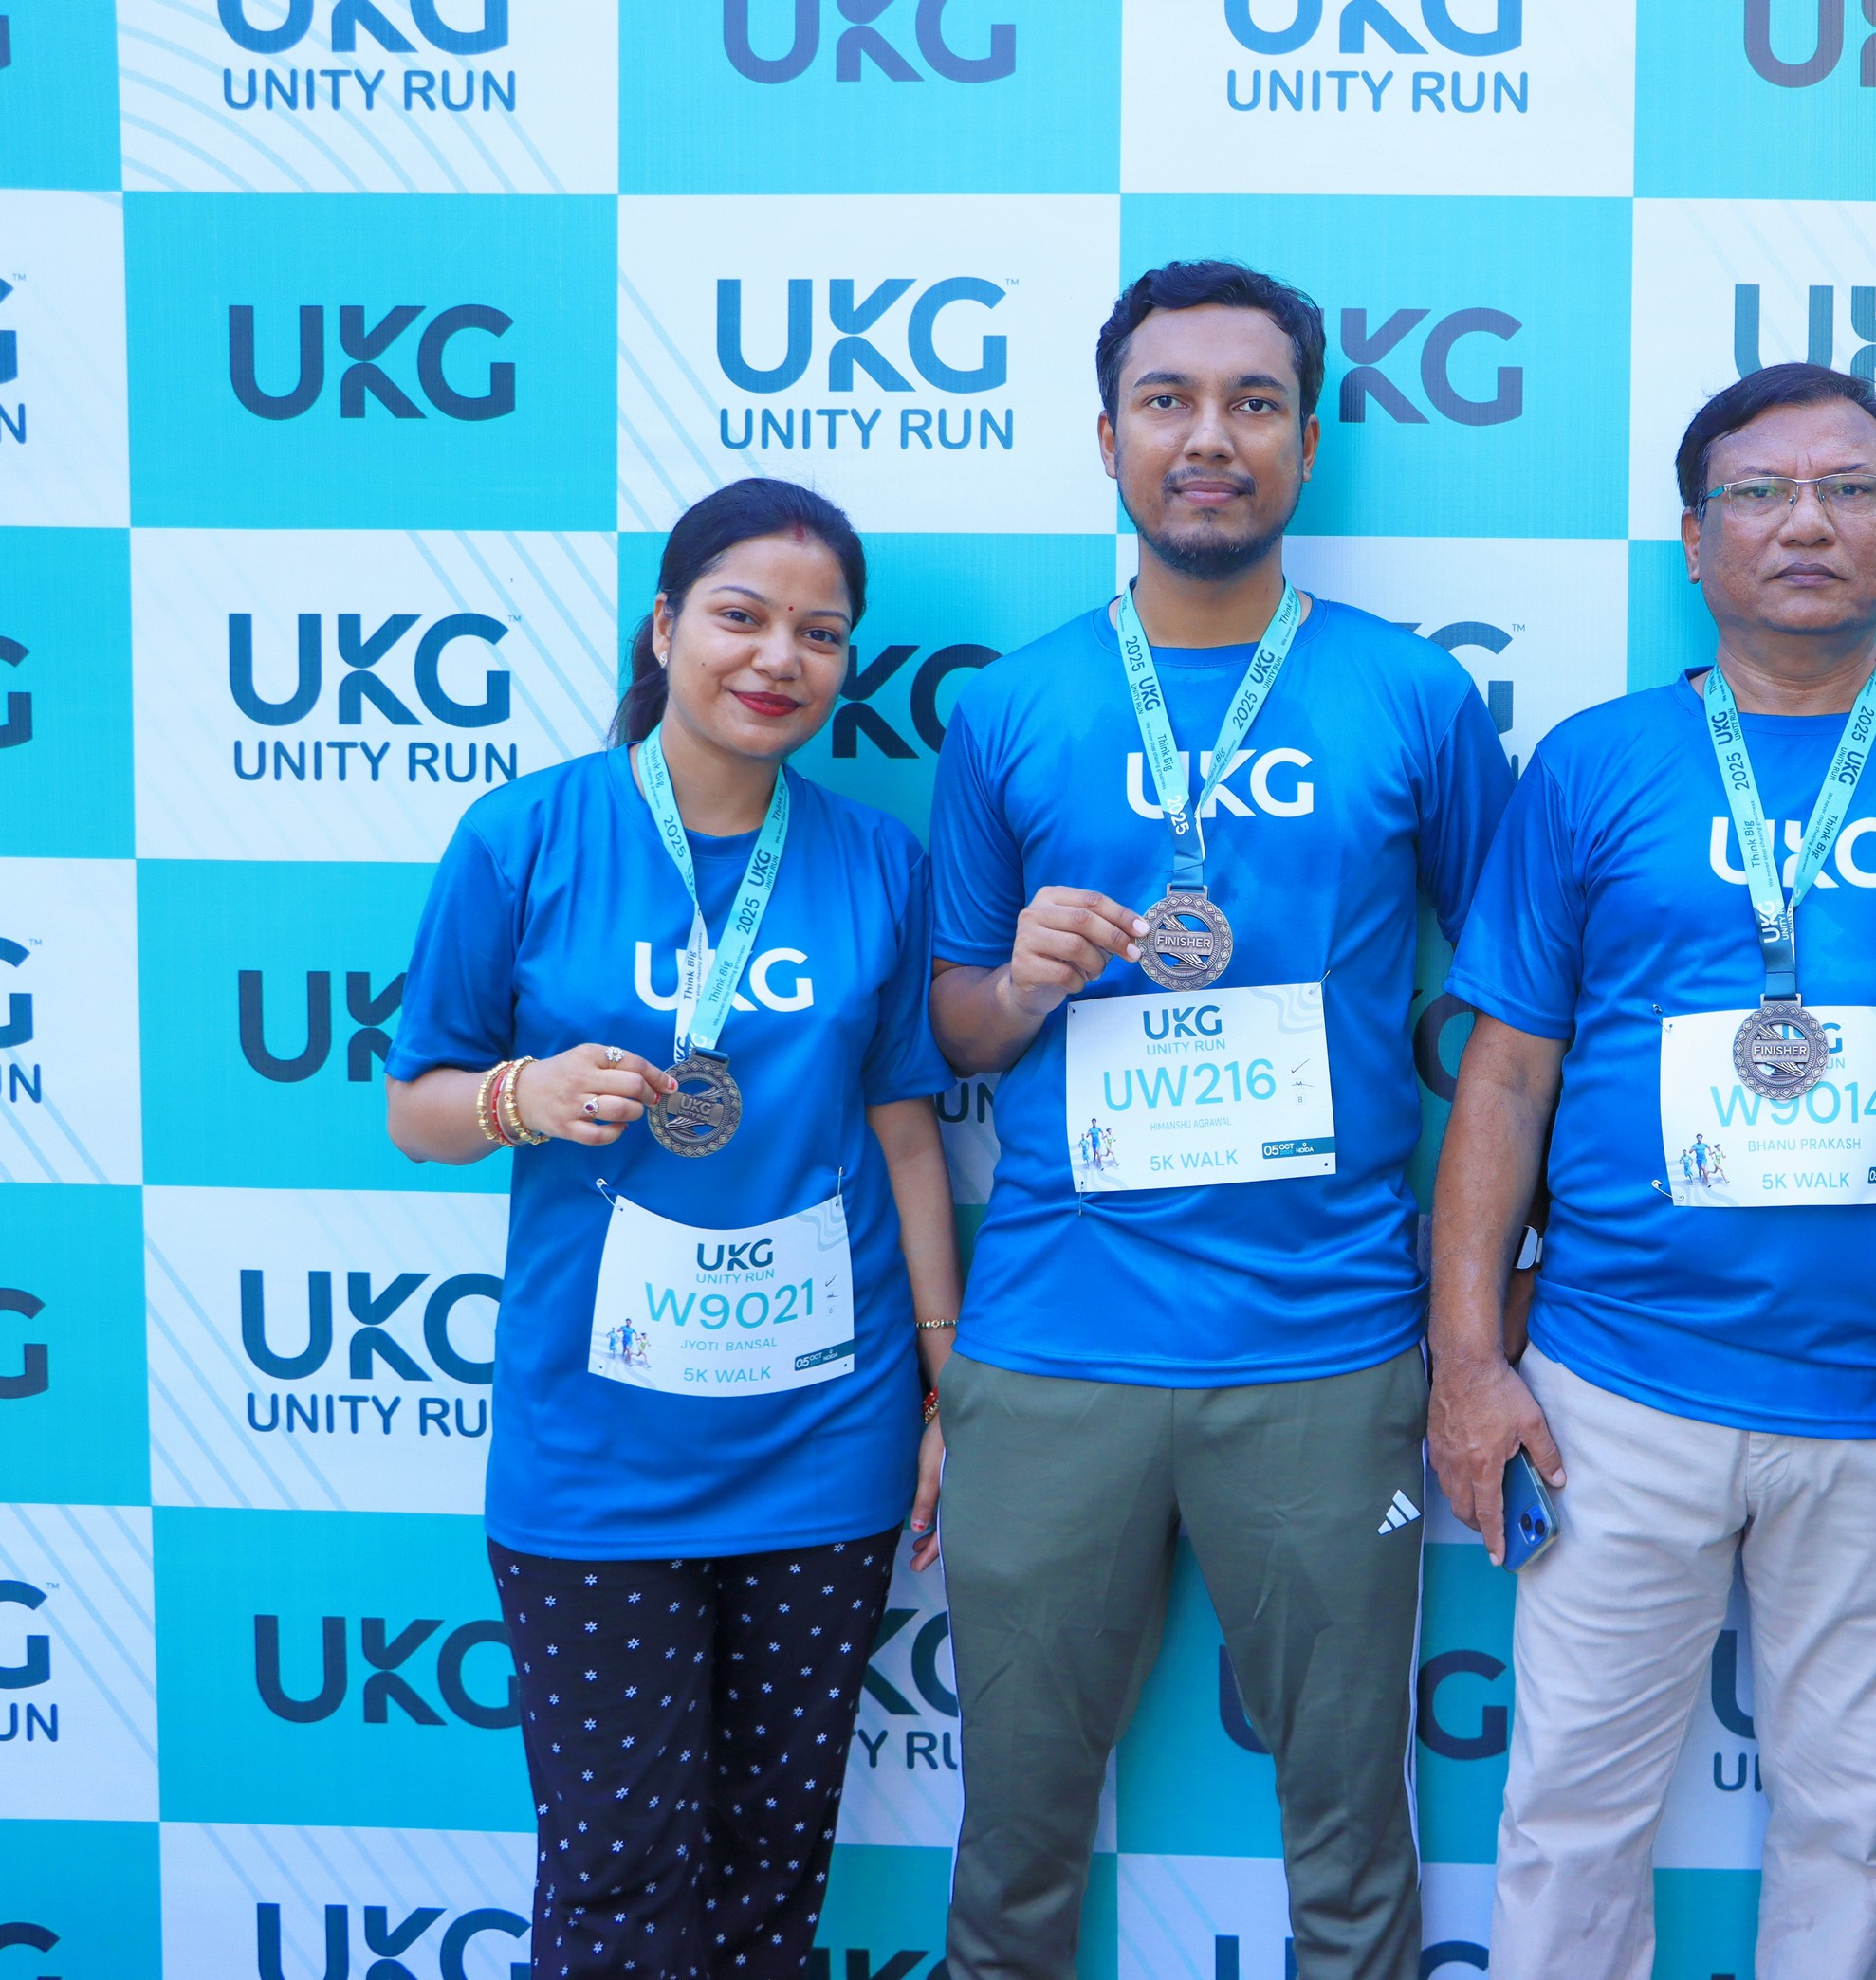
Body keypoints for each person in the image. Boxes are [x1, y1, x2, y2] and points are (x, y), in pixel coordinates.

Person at [1428, 362, 1876, 1980]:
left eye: (1847, 489)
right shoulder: (1596, 765)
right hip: (1615, 1387)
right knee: (1569, 1817)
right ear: (1696, 542)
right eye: (1759, 493)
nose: (1805, 521)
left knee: (1851, 1822)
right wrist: (1468, 1359)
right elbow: (1506, 1075)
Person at [925, 260, 1513, 1980]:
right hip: (1056, 1341)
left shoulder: (1411, 695)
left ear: (1307, 444)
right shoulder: (1011, 705)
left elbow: (1512, 1009)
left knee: (1352, 1844)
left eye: (1254, 403)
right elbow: (953, 1021)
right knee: (1012, 1844)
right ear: (1106, 435)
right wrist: (1021, 983)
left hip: (1326, 1343)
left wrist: (1484, 1289)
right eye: (1167, 401)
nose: (1209, 438)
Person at [385, 478, 963, 1978]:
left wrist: (941, 1383)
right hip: (599, 1450)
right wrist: (519, 1092)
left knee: (772, 1879)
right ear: (664, 628)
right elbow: (418, 1109)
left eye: (821, 634)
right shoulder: (525, 836)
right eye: (742, 616)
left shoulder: (877, 861)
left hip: (822, 1438)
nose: (780, 657)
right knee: (618, 1886)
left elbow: (906, 1130)